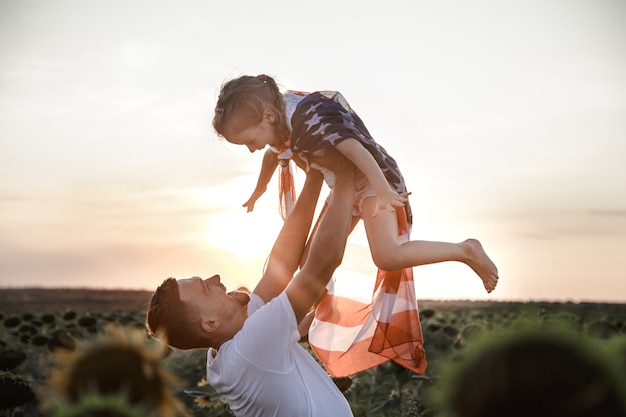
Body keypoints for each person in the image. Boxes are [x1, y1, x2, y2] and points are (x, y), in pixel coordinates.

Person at [212, 74, 499, 294]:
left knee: (387, 255)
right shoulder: (277, 122)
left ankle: (466, 250)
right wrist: (258, 191)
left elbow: (355, 149)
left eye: (250, 141)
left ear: (269, 116)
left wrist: (384, 191)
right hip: (342, 188)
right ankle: (310, 317)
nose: (252, 149)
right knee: (311, 261)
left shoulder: (309, 116)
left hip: (373, 177)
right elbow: (273, 157)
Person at [146, 150, 357, 416]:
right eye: (205, 287)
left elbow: (280, 267)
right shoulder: (250, 347)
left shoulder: (226, 348)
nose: (216, 279)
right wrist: (345, 176)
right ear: (209, 323)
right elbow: (319, 267)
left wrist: (315, 174)